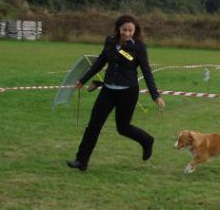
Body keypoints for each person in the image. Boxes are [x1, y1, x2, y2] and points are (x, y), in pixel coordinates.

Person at [67, 15, 166, 171]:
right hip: (108, 90)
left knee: (123, 128)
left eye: (130, 30)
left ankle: (147, 140)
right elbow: (99, 63)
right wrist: (83, 79)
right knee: (93, 125)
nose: (127, 33)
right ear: (118, 29)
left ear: (135, 31)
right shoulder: (110, 42)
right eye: (124, 30)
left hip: (128, 92)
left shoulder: (139, 47)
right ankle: (81, 161)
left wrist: (155, 96)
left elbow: (147, 72)